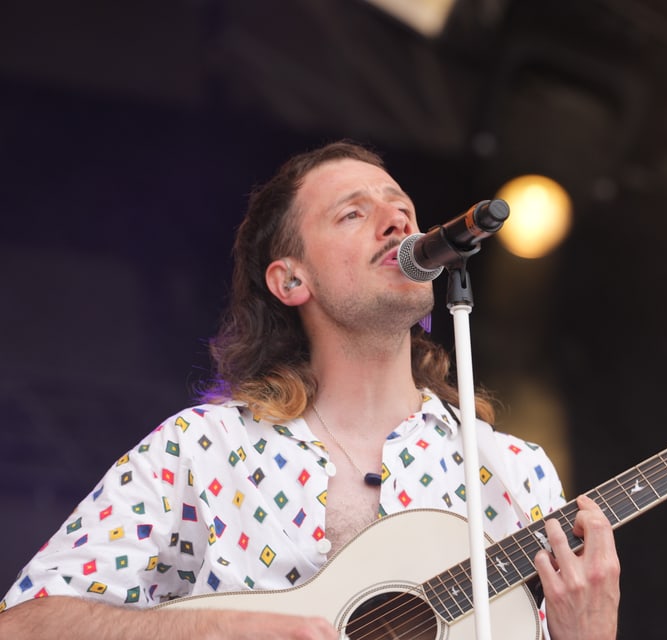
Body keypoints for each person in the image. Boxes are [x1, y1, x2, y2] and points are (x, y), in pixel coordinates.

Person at [0, 140, 620, 639]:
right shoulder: (201, 451)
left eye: (400, 208)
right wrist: (216, 629)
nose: (396, 221)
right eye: (354, 213)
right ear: (291, 279)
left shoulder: (512, 474)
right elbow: (23, 626)